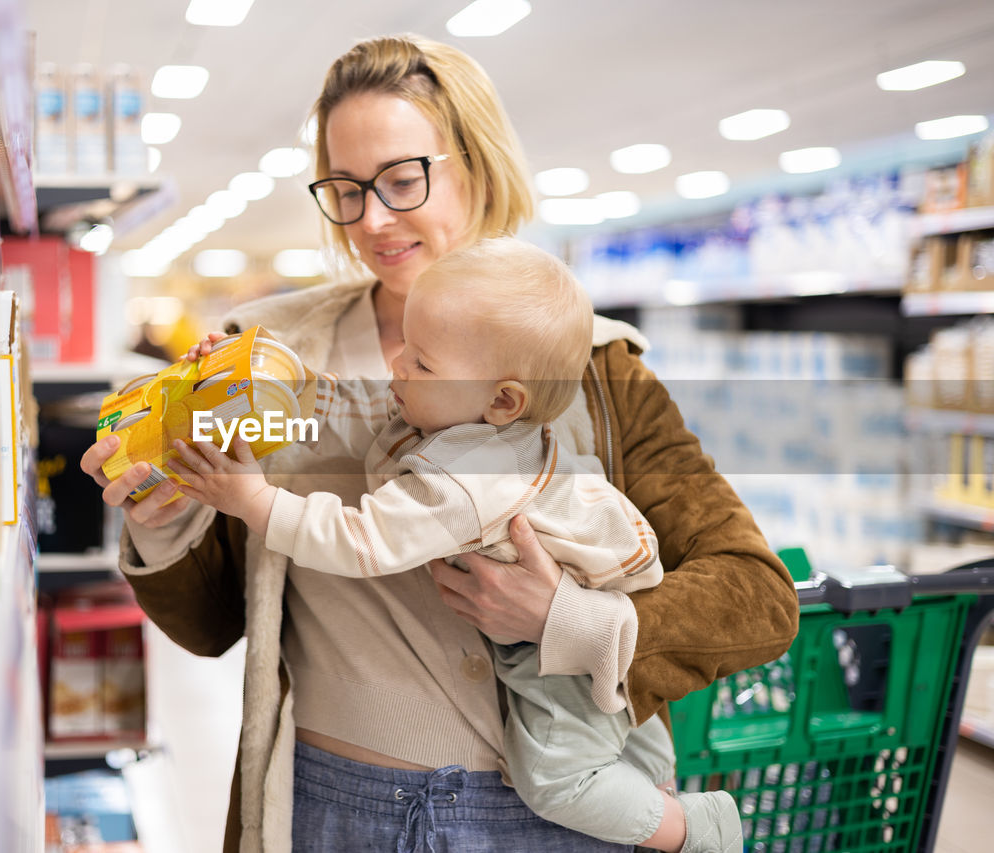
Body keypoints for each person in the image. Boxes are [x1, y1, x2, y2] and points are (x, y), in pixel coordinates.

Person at [81, 33, 798, 853]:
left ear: (476, 163)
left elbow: (756, 596)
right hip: (331, 808)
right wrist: (167, 511)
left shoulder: (593, 364)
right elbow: (214, 622)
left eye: (401, 179)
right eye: (345, 190)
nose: (373, 220)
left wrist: (570, 617)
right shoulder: (270, 354)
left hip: (551, 818)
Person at [166, 238, 743, 852]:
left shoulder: (465, 480)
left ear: (502, 400)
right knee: (638, 747)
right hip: (607, 630)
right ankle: (655, 786)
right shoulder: (464, 416)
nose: (398, 368)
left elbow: (361, 541)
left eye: (420, 364)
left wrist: (256, 502)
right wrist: (284, 378)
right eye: (404, 350)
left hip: (565, 668)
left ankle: (700, 830)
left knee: (558, 777)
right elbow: (358, 404)